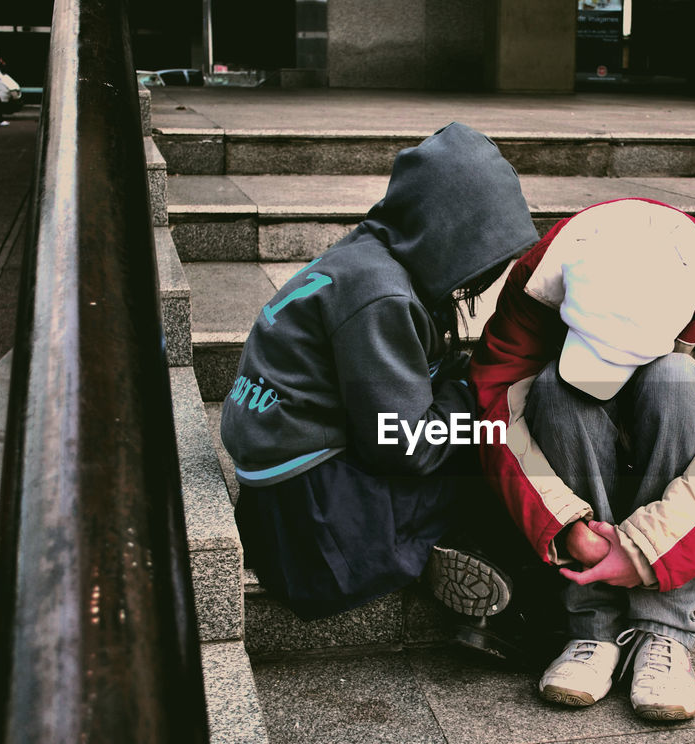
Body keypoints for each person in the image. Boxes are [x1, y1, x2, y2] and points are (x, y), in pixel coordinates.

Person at [469, 198, 695, 720]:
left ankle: (664, 629)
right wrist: (562, 524)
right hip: (575, 440)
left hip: (673, 428)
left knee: (679, 381)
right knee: (554, 387)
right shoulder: (539, 279)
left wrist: (649, 549)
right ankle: (591, 629)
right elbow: (493, 408)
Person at [220, 122, 538, 621]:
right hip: (316, 519)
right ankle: (466, 568)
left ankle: (440, 551)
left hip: (275, 496)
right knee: (496, 452)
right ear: (451, 231)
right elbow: (406, 445)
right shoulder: (380, 293)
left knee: (479, 434)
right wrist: (472, 391)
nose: (485, 274)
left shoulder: (366, 254)